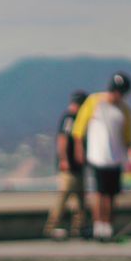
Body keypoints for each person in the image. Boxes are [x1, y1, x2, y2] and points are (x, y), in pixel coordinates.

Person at [72, 72, 131, 241]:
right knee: (99, 194)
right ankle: (99, 226)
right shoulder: (94, 102)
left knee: (111, 195)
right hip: (97, 157)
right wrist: (79, 150)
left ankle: (108, 226)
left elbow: (128, 137)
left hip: (115, 159)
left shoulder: (124, 109)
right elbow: (79, 129)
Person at [43, 89, 90, 239]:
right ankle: (52, 227)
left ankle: (80, 227)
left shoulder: (79, 119)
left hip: (78, 166)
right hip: (69, 167)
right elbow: (62, 140)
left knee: (81, 200)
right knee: (64, 197)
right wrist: (64, 160)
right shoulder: (69, 118)